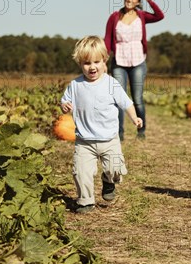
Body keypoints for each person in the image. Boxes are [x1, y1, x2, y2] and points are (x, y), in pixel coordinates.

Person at [61, 35, 143, 213]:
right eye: (86, 63)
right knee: (81, 173)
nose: (92, 67)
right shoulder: (75, 85)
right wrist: (65, 106)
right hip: (84, 141)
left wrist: (134, 118)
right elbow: (65, 102)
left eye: (96, 62)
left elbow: (126, 103)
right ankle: (85, 201)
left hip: (109, 140)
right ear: (80, 64)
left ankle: (108, 181)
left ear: (104, 60)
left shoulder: (111, 84)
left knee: (115, 168)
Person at [104, 0, 164, 141]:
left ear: (138, 1)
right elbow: (108, 40)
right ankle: (119, 134)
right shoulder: (114, 17)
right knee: (118, 99)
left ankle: (141, 131)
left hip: (138, 62)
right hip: (119, 62)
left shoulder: (141, 16)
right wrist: (103, 60)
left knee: (137, 98)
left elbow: (160, 15)